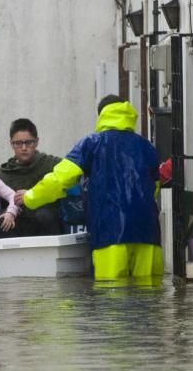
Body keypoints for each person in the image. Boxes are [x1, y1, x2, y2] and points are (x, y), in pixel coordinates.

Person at [17, 95, 163, 280]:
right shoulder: (146, 147)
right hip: (148, 232)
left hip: (110, 232)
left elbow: (60, 179)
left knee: (111, 299)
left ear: (101, 115)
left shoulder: (91, 144)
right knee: (148, 299)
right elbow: (154, 187)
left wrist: (31, 197)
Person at [0, 118, 64, 236]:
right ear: (11, 143)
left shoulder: (52, 165)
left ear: (36, 142)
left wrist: (32, 195)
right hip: (18, 230)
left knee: (44, 215)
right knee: (0, 222)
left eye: (28, 142)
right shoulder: (4, 176)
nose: (23, 148)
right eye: (18, 143)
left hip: (48, 227)